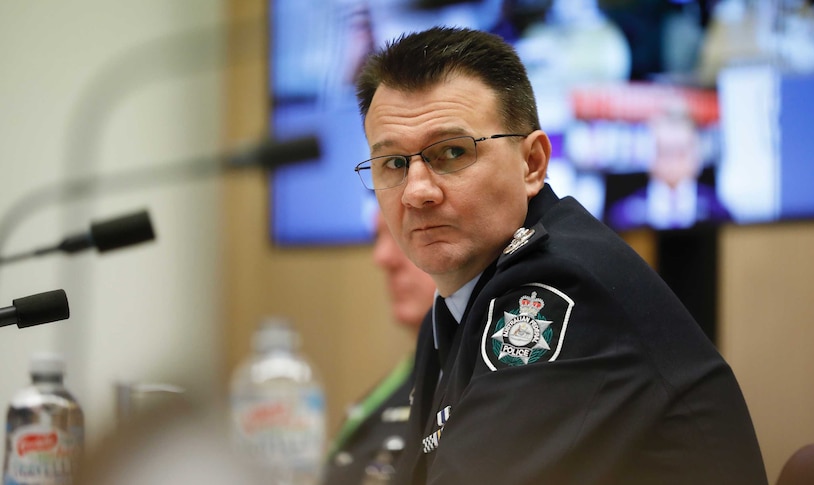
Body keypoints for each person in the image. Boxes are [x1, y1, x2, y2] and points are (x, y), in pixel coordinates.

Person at [353, 26, 767, 484]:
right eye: (393, 163)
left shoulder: (559, 287)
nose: (416, 191)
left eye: (451, 152)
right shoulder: (456, 308)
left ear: (532, 164)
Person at [322, 214, 437, 485]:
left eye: (410, 231)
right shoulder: (409, 373)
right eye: (379, 237)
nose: (382, 257)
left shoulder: (482, 380)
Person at [606, 102, 732, 231]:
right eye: (664, 151)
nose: (672, 162)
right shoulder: (625, 215)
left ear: (697, 156)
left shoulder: (718, 212)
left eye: (680, 152)